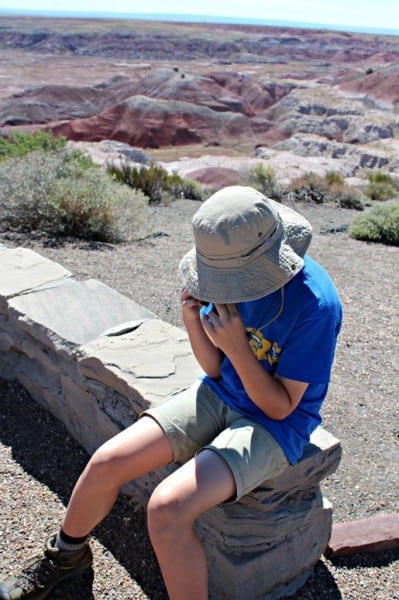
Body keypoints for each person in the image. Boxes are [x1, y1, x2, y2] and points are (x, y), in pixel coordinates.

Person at [0, 185, 342, 600]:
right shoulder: (228, 271)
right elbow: (215, 369)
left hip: (275, 425)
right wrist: (192, 318)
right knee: (108, 460)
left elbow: (281, 406)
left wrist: (236, 346)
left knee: (167, 509)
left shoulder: (314, 305)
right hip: (222, 392)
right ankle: (66, 557)